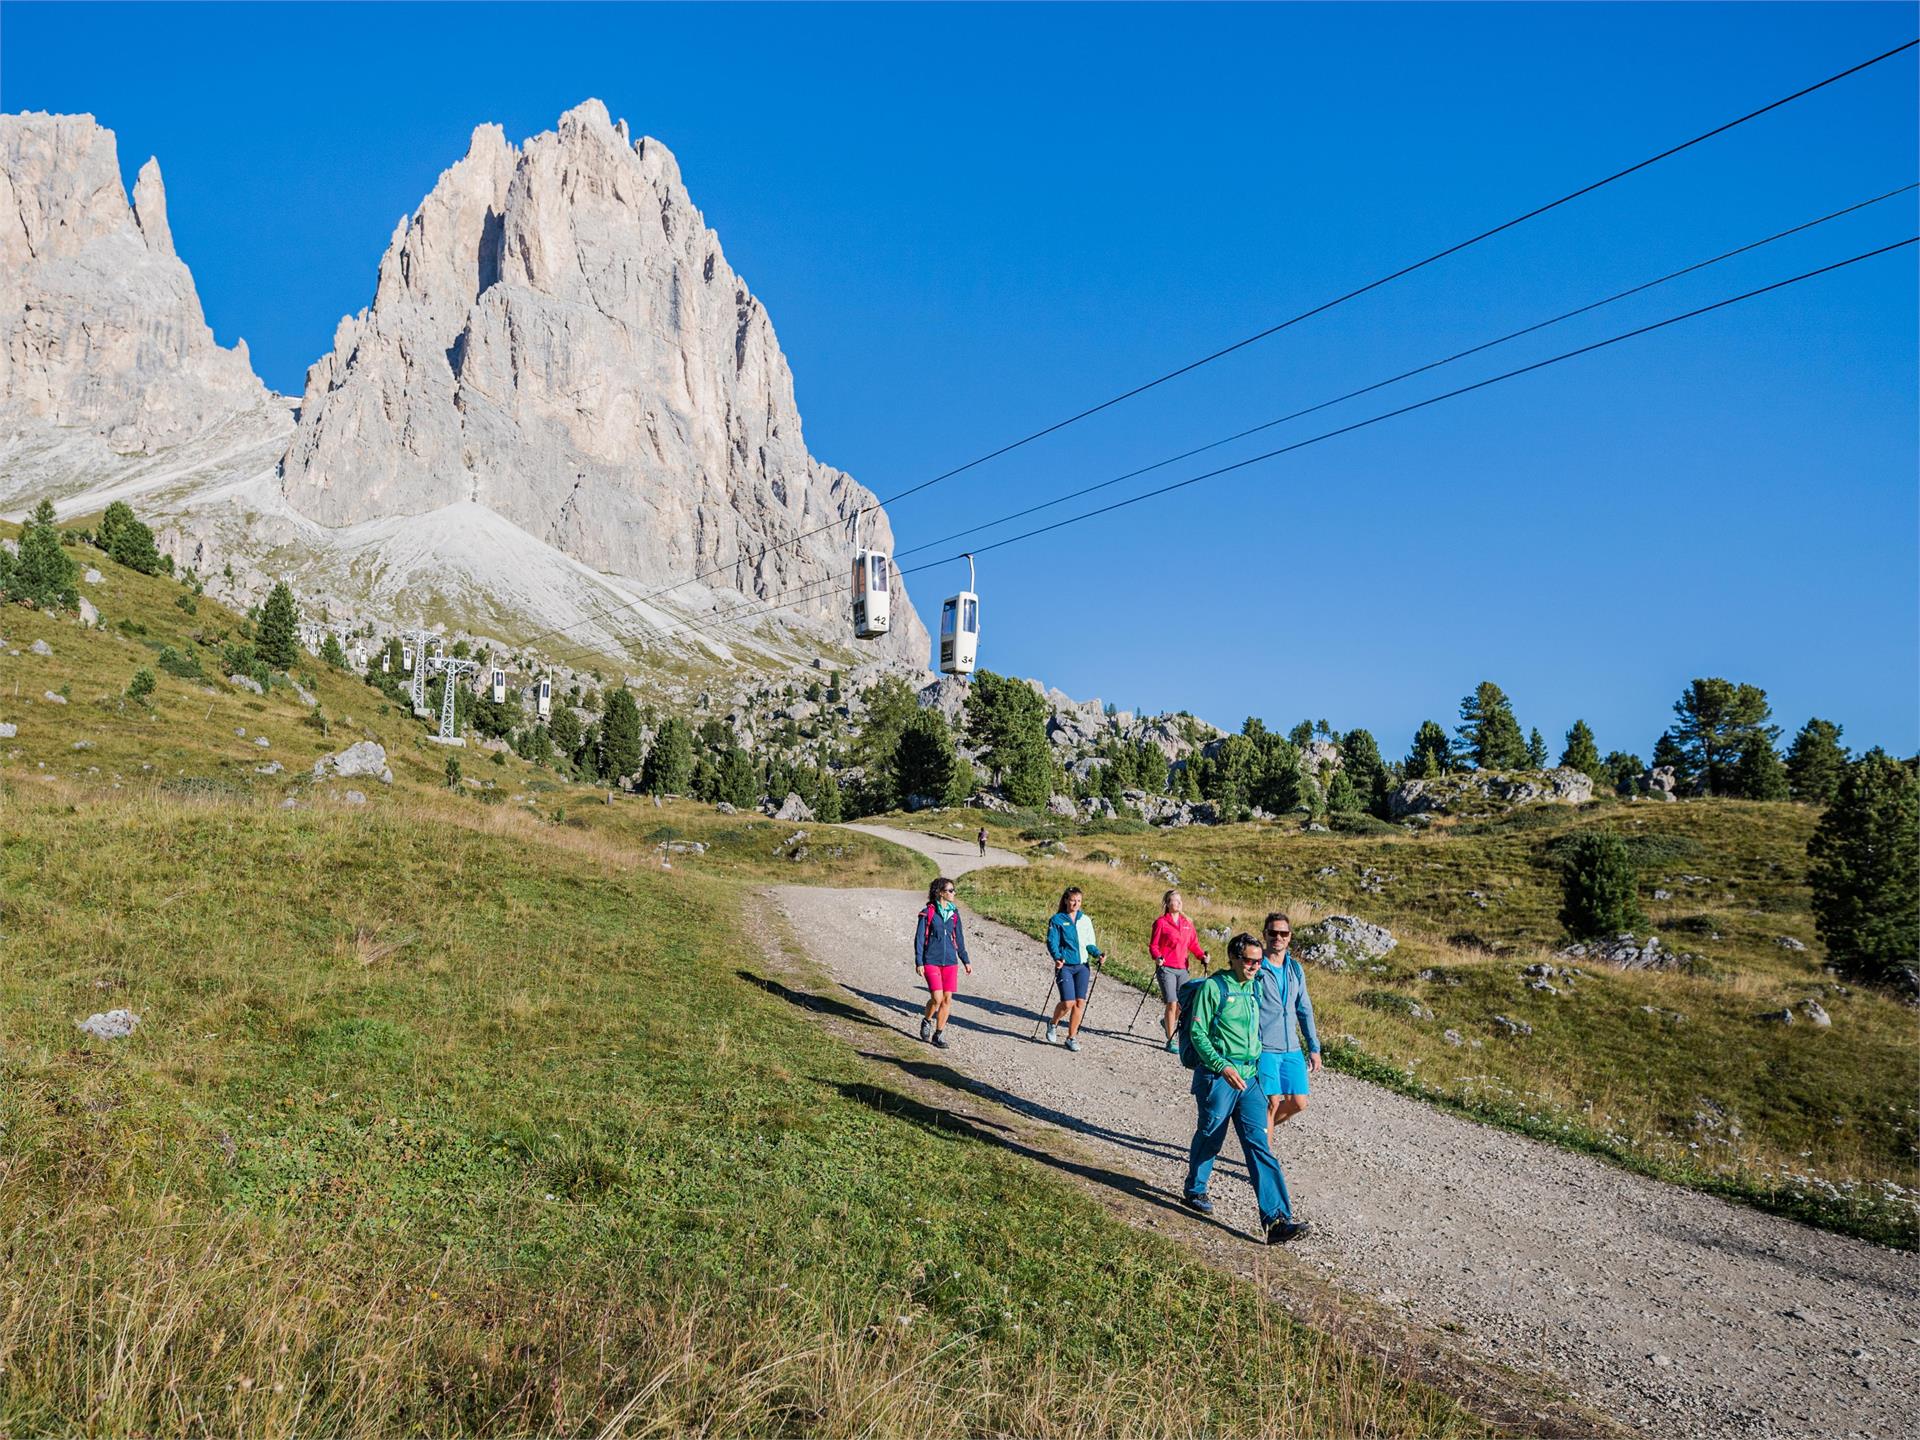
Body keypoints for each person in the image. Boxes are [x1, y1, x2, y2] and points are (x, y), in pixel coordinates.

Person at [1181, 933, 1307, 1244]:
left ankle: (1277, 1220)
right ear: (1234, 958)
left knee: (1258, 1144)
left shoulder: (1255, 985)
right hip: (1218, 1075)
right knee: (1212, 1134)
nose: (1254, 966)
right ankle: (1195, 1189)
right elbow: (1198, 1032)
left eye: (1257, 961)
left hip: (1250, 1078)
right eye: (1248, 960)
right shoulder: (1214, 987)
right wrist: (1221, 1066)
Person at [1253, 911, 1321, 1130]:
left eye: (1283, 933)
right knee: (1271, 1103)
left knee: (1299, 1103)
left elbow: (1304, 1009)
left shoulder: (1294, 969)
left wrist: (1313, 1047)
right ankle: (1264, 1158)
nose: (1278, 937)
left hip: (1291, 1047)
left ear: (1290, 936)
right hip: (1265, 1047)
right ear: (1265, 934)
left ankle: (1257, 1133)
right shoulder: (1256, 967)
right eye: (1273, 932)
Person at [912, 877, 971, 1049]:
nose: (954, 893)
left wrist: (965, 960)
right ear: (940, 892)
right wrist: (919, 961)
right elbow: (919, 938)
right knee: (936, 998)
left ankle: (938, 1034)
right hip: (931, 960)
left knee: (947, 1000)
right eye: (950, 890)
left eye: (953, 890)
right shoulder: (928, 912)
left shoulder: (954, 913)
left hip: (951, 961)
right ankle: (927, 1020)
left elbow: (959, 938)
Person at [1043, 886, 1104, 1052]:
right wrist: (1057, 957)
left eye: (1079, 901)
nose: (1076, 903)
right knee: (1068, 1002)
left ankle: (1071, 1037)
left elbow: (1090, 943)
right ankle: (1053, 1023)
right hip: (1065, 966)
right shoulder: (1057, 919)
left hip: (1083, 966)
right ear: (1066, 900)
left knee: (1079, 1003)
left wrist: (1098, 954)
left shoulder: (1085, 920)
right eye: (1073, 900)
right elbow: (1052, 941)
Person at [1148, 888, 1209, 1053]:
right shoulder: (1161, 922)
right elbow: (1153, 945)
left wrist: (1202, 956)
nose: (1179, 902)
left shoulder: (1187, 923)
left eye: (1180, 900)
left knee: (1184, 1003)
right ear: (1168, 904)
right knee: (1172, 1002)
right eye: (1175, 900)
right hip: (1166, 968)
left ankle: (1166, 1022)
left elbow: (1193, 945)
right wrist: (1157, 956)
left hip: (1183, 968)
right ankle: (1170, 1039)